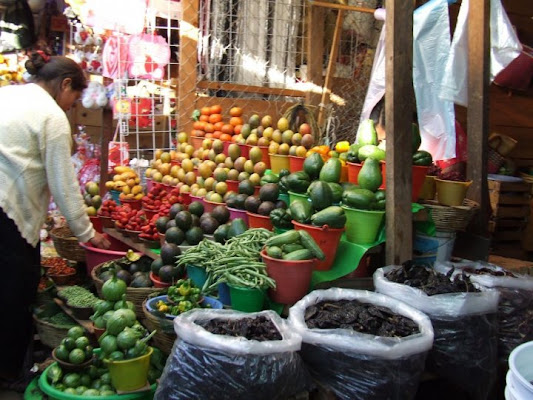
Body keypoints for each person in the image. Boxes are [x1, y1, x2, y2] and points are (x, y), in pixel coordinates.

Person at [0, 51, 110, 389]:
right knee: (15, 292)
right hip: (8, 212)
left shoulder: (9, 93)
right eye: (75, 96)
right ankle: (12, 373)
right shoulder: (51, 116)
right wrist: (87, 233)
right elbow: (64, 184)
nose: (73, 104)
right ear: (64, 84)